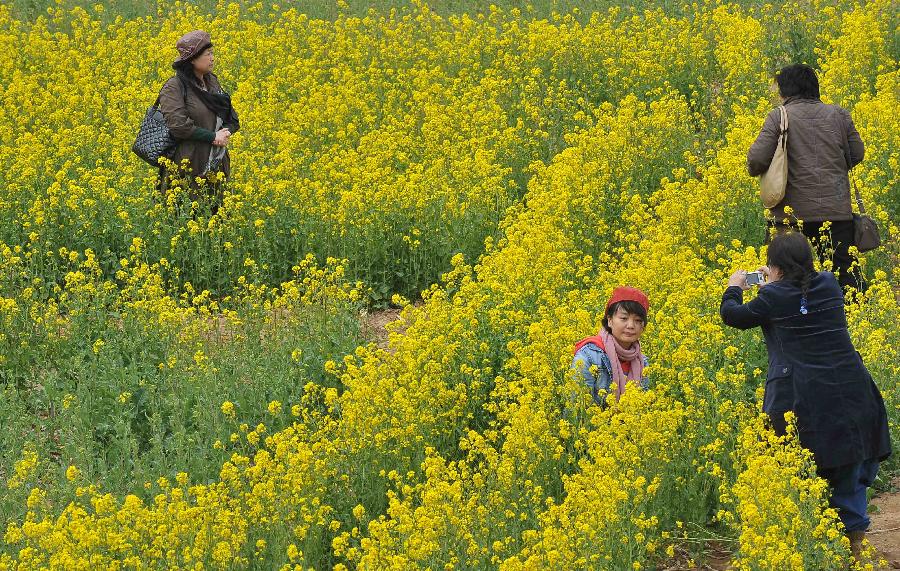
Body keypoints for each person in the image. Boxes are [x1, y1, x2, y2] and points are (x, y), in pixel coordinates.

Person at [720, 232, 890, 557]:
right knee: (849, 462)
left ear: (775, 267)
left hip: (803, 396)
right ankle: (854, 543)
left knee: (804, 467)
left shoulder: (772, 298)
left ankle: (809, 542)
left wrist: (735, 287)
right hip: (852, 389)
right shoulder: (828, 283)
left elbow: (733, 316)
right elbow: (798, 301)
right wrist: (774, 287)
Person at [747, 64, 866, 293]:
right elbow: (856, 153)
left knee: (786, 280)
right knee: (845, 277)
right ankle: (856, 319)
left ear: (785, 92)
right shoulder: (839, 115)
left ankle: (796, 321)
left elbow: (756, 161)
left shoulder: (779, 116)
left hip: (790, 215)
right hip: (836, 211)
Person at [158, 30, 240, 214]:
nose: (212, 58)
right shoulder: (174, 87)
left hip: (216, 165)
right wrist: (212, 136)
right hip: (187, 166)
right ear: (193, 60)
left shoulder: (212, 82)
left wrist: (226, 132)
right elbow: (178, 126)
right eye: (207, 54)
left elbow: (230, 116)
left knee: (216, 218)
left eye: (212, 53)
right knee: (186, 217)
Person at [571, 287, 650, 406]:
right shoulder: (589, 356)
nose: (631, 325)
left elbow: (643, 409)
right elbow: (577, 408)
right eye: (624, 318)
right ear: (610, 320)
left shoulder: (642, 362)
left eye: (638, 320)